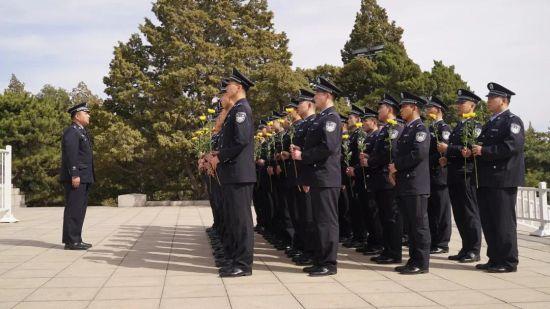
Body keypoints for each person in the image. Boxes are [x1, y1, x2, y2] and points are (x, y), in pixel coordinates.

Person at [205, 68, 256, 277]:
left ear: (239, 87)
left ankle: (243, 265)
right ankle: (235, 259)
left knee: (242, 221)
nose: (226, 88)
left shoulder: (242, 109)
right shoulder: (235, 110)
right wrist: (217, 153)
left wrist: (220, 157)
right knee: (234, 220)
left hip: (239, 174)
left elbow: (241, 141)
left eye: (229, 85)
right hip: (232, 173)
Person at [291, 77, 342, 276]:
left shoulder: (331, 118)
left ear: (327, 95)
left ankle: (329, 263)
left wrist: (303, 155)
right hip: (318, 177)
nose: (314, 97)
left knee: (327, 221)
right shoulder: (322, 118)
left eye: (317, 94)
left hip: (327, 177)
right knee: (319, 221)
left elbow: (328, 147)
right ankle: (320, 259)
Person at [472, 82, 524, 273]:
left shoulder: (512, 121)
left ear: (503, 100)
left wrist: (484, 150)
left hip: (503, 179)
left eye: (491, 98)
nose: (488, 101)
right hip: (487, 179)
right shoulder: (491, 122)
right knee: (489, 221)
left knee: (503, 222)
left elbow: (512, 146)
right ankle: (494, 258)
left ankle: (508, 261)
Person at [437, 89, 482, 263]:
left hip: (466, 174)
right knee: (460, 214)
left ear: (472, 105)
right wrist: (446, 158)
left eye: (462, 103)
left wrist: (448, 150)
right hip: (454, 174)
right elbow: (458, 150)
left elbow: (469, 149)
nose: (459, 105)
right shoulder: (459, 126)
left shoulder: (475, 125)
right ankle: (465, 247)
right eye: (458, 102)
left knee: (469, 213)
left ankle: (474, 249)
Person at [389, 92, 431, 274]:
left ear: (413, 108)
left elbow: (418, 154)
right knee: (410, 226)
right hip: (405, 184)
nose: (400, 110)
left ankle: (421, 263)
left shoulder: (420, 129)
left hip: (415, 184)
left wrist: (396, 166)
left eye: (403, 107)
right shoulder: (407, 129)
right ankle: (413, 260)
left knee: (419, 225)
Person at [362, 94, 404, 265]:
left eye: (381, 108)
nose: (378, 110)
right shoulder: (385, 129)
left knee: (391, 217)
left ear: (390, 110)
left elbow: (390, 153)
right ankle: (387, 249)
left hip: (388, 180)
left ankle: (394, 252)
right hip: (379, 180)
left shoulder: (395, 128)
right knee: (384, 217)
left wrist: (370, 160)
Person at [60, 102, 94, 250]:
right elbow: (70, 155)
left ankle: (76, 238)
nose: (88, 115)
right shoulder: (72, 132)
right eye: (86, 113)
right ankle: (71, 241)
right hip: (76, 177)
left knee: (79, 209)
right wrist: (74, 174)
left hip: (84, 176)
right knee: (74, 208)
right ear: (77, 116)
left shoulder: (81, 131)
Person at [425, 96, 452, 254]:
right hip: (429, 174)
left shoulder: (444, 128)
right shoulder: (429, 128)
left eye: (431, 107)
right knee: (432, 211)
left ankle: (442, 243)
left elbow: (443, 150)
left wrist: (426, 161)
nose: (428, 109)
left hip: (439, 174)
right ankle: (434, 240)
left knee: (442, 211)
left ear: (439, 110)